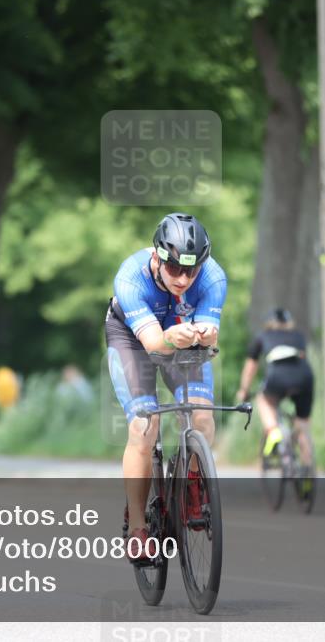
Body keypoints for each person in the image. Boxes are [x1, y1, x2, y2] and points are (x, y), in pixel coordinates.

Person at [105, 212, 226, 562]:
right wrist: (172, 337)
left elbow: (210, 330)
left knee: (202, 418)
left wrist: (205, 332)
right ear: (156, 257)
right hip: (132, 339)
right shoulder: (130, 278)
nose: (184, 279)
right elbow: (156, 344)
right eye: (175, 269)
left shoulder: (214, 277)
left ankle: (190, 487)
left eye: (192, 270)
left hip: (179, 339)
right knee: (146, 425)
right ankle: (139, 526)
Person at [236, 308, 315, 472]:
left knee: (263, 399)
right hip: (305, 377)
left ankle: (273, 432)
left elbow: (251, 367)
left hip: (277, 378)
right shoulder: (299, 336)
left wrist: (244, 390)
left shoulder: (263, 336)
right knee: (302, 426)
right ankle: (307, 470)